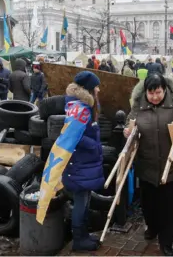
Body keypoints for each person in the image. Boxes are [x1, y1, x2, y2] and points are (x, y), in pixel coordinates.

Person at [124, 74, 173, 256]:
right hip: (146, 166)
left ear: (165, 89)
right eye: (151, 93)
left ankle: (166, 243)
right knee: (148, 205)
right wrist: (128, 132)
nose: (154, 97)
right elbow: (129, 125)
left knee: (168, 208)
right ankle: (152, 227)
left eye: (158, 92)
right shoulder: (138, 106)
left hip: (171, 166)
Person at [62, 71, 104, 252]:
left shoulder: (83, 105)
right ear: (88, 88)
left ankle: (84, 235)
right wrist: (94, 145)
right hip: (79, 163)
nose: (99, 89)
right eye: (96, 86)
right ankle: (78, 240)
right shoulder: (79, 108)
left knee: (85, 199)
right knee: (81, 201)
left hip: (83, 162)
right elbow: (73, 135)